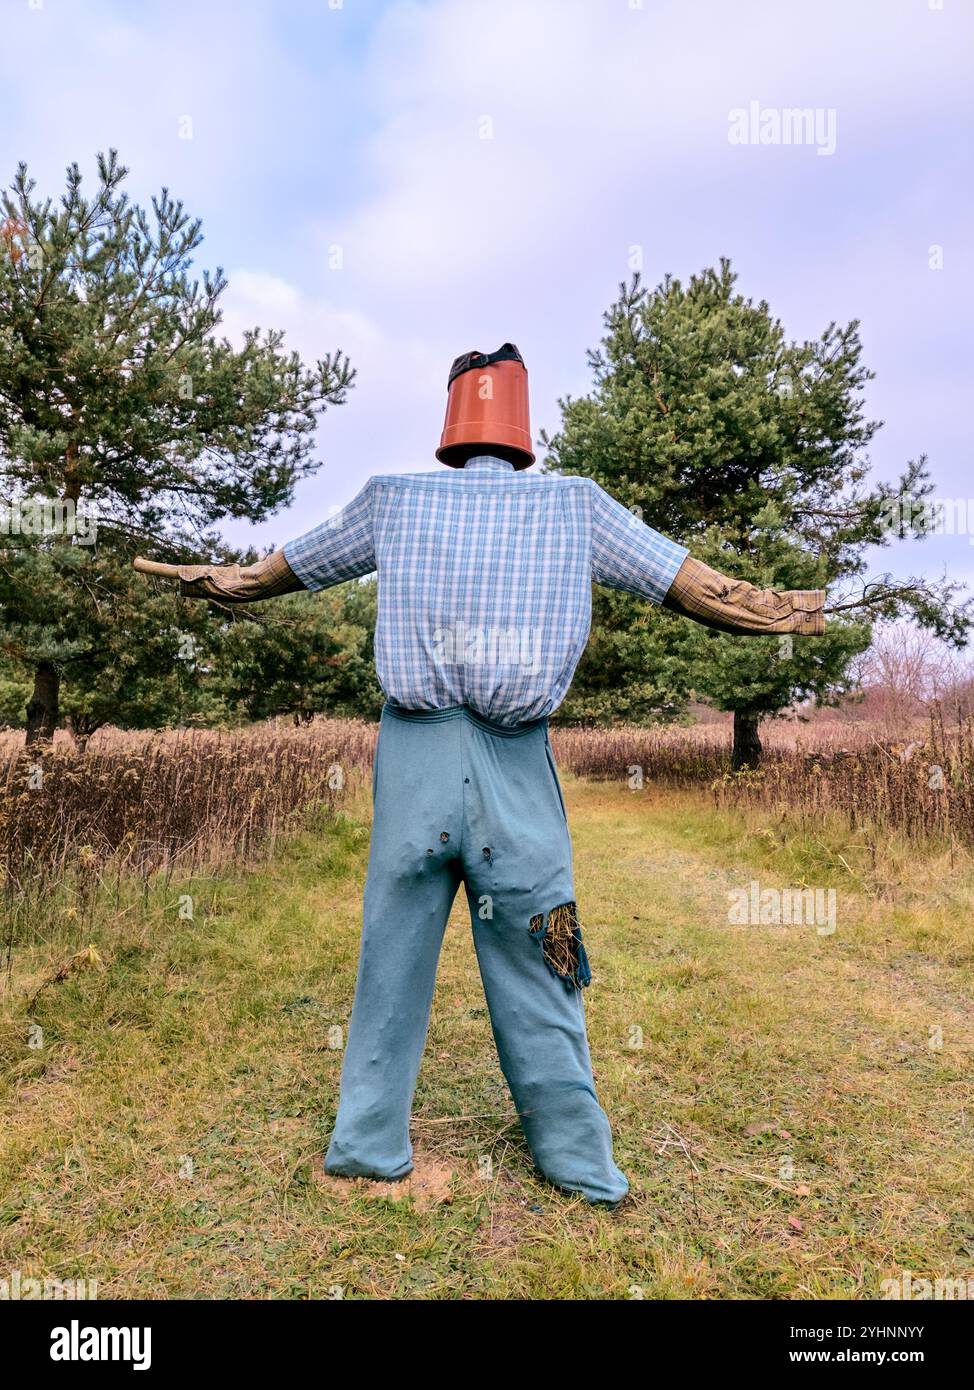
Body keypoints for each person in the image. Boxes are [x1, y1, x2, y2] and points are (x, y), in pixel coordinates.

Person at [135, 342, 825, 1206]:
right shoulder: (579, 507)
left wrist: (206, 579)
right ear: (523, 428)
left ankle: (366, 1143)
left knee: (391, 955)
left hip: (413, 758)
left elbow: (274, 571)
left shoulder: (391, 500)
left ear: (450, 425)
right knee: (549, 949)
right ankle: (580, 1163)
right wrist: (797, 611)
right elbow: (701, 588)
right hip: (516, 762)